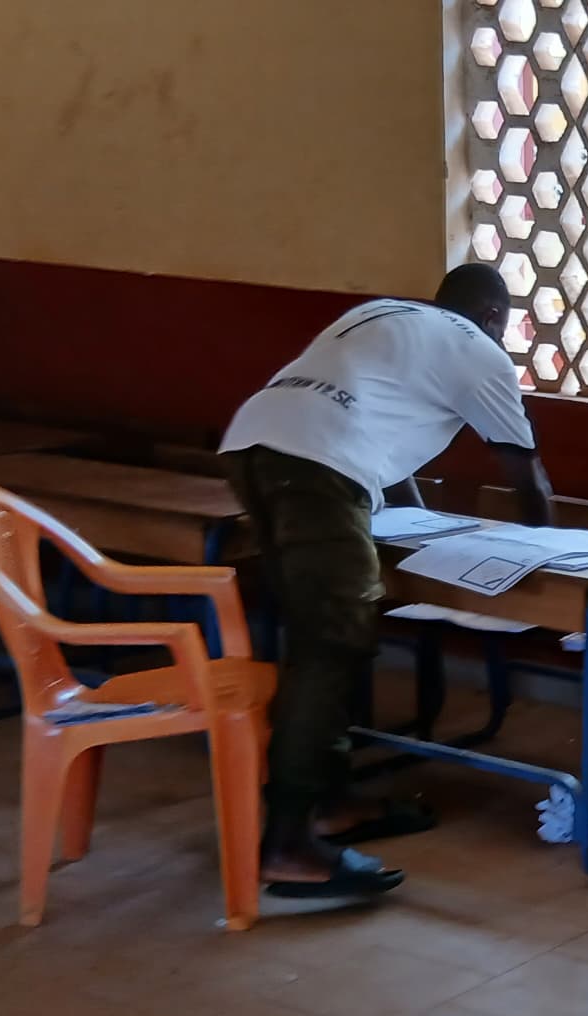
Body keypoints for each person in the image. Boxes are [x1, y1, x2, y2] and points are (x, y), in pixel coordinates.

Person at [219, 262, 553, 897]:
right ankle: (288, 843)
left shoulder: (383, 315)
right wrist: (549, 553)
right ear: (493, 319)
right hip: (319, 465)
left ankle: (329, 804)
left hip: (253, 444)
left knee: (319, 639)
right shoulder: (481, 350)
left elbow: (381, 448)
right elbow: (527, 478)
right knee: (331, 646)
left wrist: (415, 526)